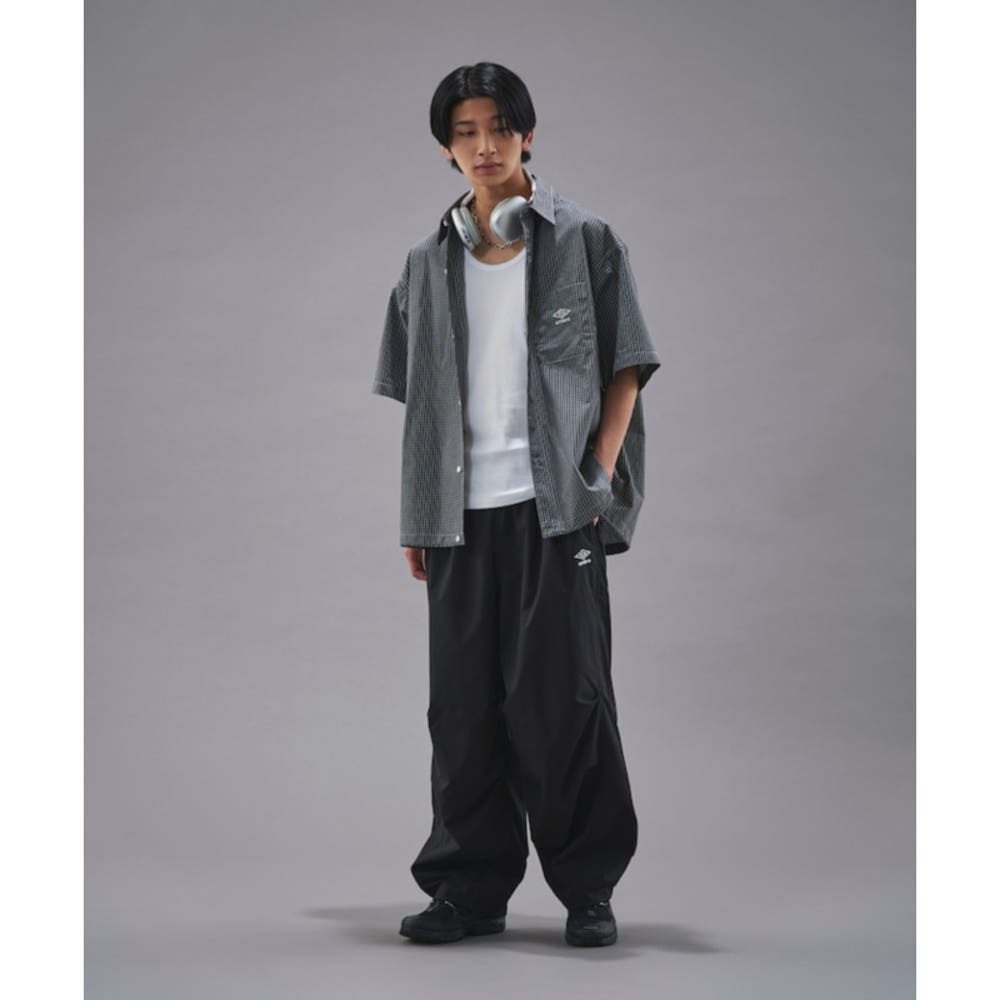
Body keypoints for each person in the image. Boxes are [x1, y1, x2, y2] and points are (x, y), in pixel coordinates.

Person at [372, 62, 660, 947]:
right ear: (446, 149)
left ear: (528, 135)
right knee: (462, 712)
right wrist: (420, 515)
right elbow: (420, 400)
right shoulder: (425, 264)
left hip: (554, 511)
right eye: (466, 132)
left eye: (500, 127)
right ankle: (468, 891)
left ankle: (587, 890)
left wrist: (594, 477)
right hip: (459, 520)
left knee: (566, 704)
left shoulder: (585, 241)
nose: (485, 145)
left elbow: (625, 366)